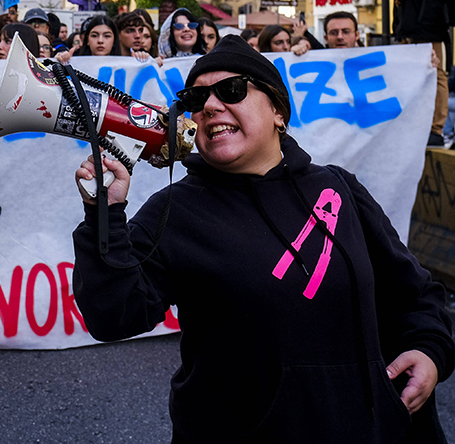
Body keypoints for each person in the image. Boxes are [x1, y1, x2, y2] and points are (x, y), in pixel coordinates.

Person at [72, 34, 454, 443]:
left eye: (232, 91)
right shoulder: (174, 210)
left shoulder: (338, 189)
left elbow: (413, 293)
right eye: (196, 100)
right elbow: (113, 316)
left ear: (277, 111)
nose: (211, 107)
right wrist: (104, 215)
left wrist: (429, 349)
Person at [371, 0, 455, 147]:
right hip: (425, 22)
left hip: (423, 24)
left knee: (435, 75)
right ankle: (427, 127)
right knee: (424, 74)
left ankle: (435, 130)